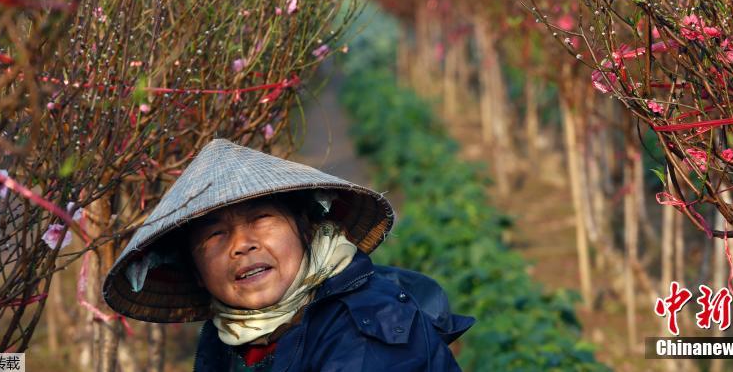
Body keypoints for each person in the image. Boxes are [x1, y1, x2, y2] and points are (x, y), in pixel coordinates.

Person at [103, 138, 473, 371]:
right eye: (215, 234)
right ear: (196, 271)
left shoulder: (368, 329)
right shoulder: (227, 336)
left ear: (307, 230)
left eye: (262, 219)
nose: (241, 244)